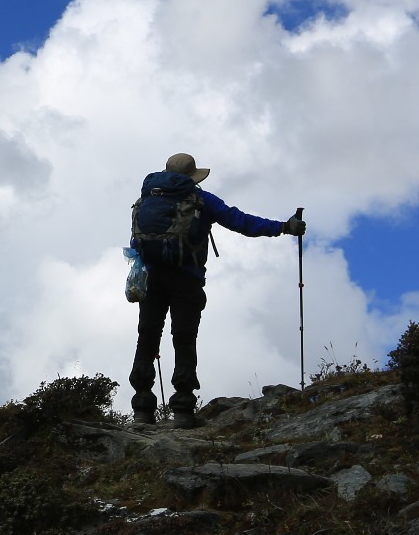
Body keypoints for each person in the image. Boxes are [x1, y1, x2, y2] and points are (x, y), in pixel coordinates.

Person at [129, 152, 305, 429]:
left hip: (151, 279)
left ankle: (141, 408)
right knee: (184, 339)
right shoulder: (201, 199)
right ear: (192, 176)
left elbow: (136, 242)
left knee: (147, 336)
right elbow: (241, 222)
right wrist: (283, 227)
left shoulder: (147, 199)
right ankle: (184, 410)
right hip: (187, 279)